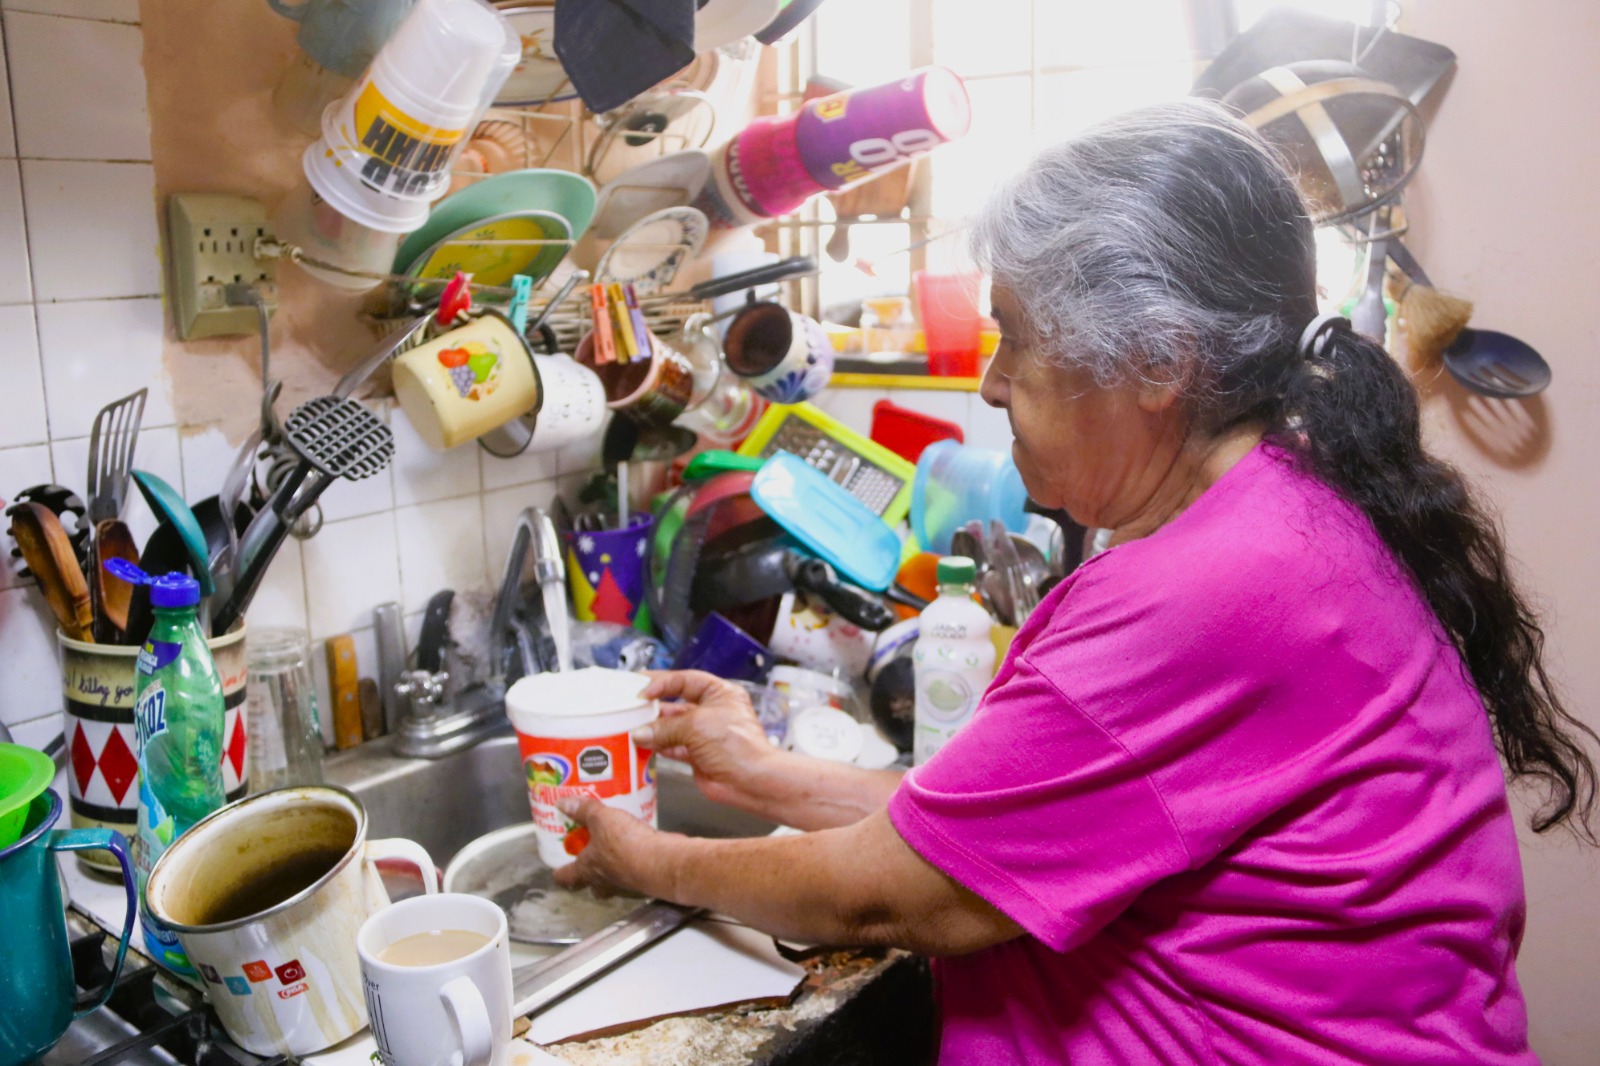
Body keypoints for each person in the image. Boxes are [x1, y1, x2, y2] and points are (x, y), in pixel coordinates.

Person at [553, 99, 1597, 1063]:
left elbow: (891, 899)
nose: (988, 379)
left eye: (1017, 331)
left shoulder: (1219, 584)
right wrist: (761, 767)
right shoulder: (1287, 508)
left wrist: (641, 857)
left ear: (1158, 362)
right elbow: (990, 837)